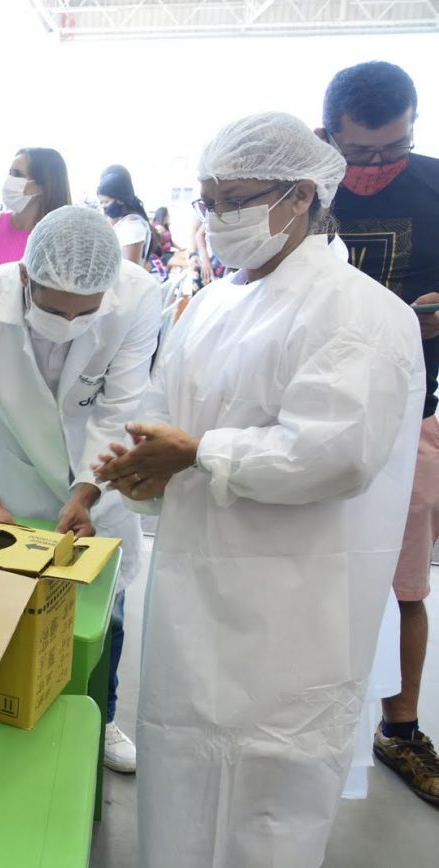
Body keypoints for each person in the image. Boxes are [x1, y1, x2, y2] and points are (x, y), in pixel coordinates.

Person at [94, 112, 425, 867]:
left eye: (235, 200)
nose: (217, 218)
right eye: (208, 201)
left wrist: (199, 452)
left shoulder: (358, 312)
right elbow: (167, 412)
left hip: (292, 612)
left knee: (267, 801)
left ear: (300, 195)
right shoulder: (214, 303)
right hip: (195, 600)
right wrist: (137, 469)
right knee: (182, 776)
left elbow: (338, 454)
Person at [0, 205, 160, 774]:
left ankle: (102, 716)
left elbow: (118, 410)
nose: (69, 322)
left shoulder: (138, 297)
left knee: (103, 615)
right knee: (2, 606)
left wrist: (85, 494)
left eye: (85, 312)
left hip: (98, 479)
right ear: (24, 276)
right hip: (7, 471)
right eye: (55, 309)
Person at [318, 60, 439, 807]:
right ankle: (304, 716)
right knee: (306, 573)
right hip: (312, 415)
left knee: (404, 584)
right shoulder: (299, 191)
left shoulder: (434, 186)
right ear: (328, 134)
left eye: (395, 147)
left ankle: (401, 727)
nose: (377, 165)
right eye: (359, 151)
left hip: (409, 417)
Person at [0, 148, 72, 280]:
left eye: (17, 174)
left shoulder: (57, 239)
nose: (9, 180)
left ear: (42, 186)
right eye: (10, 173)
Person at [97, 165, 157, 268]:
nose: (104, 207)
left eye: (106, 201)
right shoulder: (124, 221)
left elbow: (129, 269)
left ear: (120, 198)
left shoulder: (131, 225)